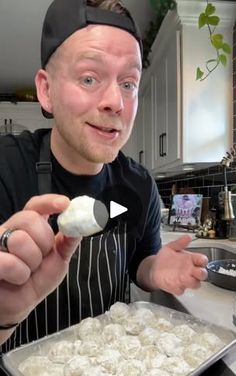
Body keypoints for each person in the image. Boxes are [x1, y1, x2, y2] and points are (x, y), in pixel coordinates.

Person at [0, 0, 208, 352]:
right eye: (89, 78)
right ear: (46, 90)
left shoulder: (139, 185)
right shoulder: (6, 167)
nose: (116, 101)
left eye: (129, 83)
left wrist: (154, 270)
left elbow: (141, 261)